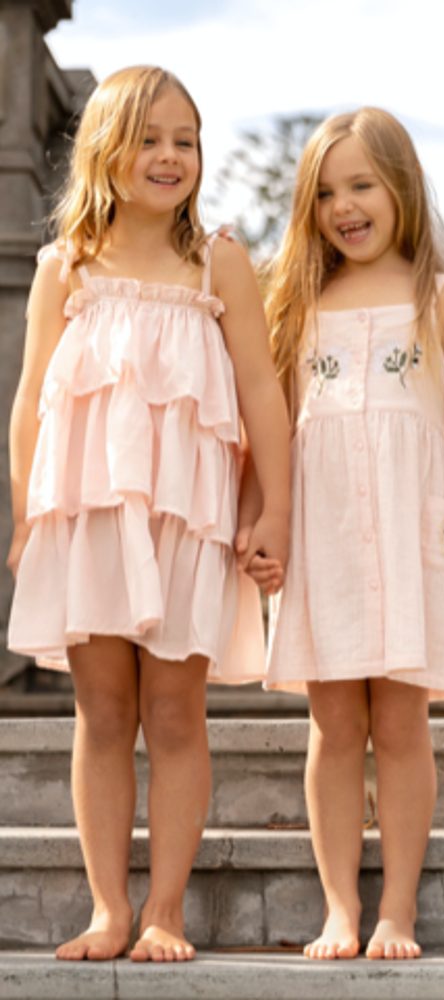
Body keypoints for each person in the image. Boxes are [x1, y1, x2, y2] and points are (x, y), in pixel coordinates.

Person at [6, 66, 290, 962]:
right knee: (100, 709)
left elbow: (261, 395)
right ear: (105, 149)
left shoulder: (221, 262)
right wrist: (27, 516)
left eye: (186, 140)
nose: (170, 157)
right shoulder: (66, 268)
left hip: (189, 516)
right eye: (150, 139)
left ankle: (164, 907)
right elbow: (29, 401)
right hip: (87, 512)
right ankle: (107, 908)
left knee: (175, 712)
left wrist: (271, 507)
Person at [259, 107, 444, 961]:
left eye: (361, 185)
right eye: (325, 192)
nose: (344, 206)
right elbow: (274, 426)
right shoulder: (293, 302)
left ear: (400, 185)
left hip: (412, 528)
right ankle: (340, 909)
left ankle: (396, 907)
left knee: (401, 725)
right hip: (325, 529)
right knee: (332, 723)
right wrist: (269, 523)